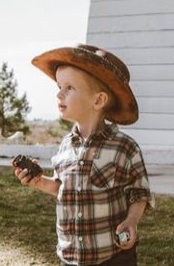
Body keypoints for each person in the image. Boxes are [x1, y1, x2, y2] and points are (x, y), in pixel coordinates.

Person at [14, 44, 154, 266]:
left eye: (69, 88)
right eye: (59, 86)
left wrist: (131, 220)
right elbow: (63, 188)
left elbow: (140, 193)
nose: (59, 93)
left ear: (98, 100)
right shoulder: (65, 147)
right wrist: (39, 182)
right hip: (70, 257)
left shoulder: (125, 148)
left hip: (113, 257)